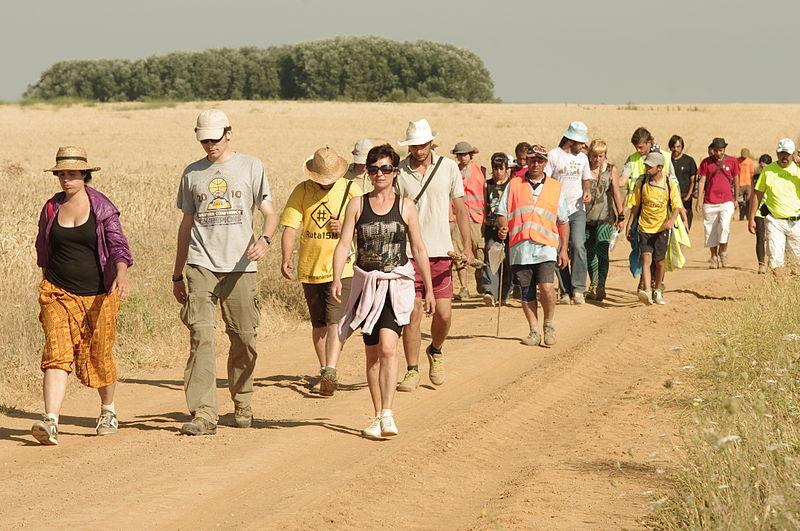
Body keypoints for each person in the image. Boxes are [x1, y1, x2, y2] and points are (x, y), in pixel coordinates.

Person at [172, 109, 278, 436]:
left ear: (228, 133)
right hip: (200, 263)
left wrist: (265, 239)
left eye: (214, 138)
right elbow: (186, 225)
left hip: (241, 265)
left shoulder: (251, 166)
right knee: (201, 337)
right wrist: (178, 274)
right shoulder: (192, 174)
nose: (209, 145)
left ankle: (243, 400)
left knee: (244, 338)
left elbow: (269, 212)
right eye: (204, 139)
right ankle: (204, 414)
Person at [32, 146, 133, 445]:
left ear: (85, 176)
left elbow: (117, 245)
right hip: (57, 293)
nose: (66, 180)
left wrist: (122, 274)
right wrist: (45, 280)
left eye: (72, 175)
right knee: (56, 352)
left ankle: (108, 410)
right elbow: (43, 248)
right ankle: (50, 421)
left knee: (99, 355)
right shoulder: (51, 208)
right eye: (62, 174)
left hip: (99, 295)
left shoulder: (102, 207)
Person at [333, 143, 435, 439]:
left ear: (395, 172)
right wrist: (338, 277)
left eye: (386, 169)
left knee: (389, 347)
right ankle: (377, 414)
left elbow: (418, 247)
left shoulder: (406, 206)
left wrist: (427, 287)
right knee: (372, 354)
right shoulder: (357, 205)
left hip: (396, 286)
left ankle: (388, 412)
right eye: (375, 168)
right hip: (367, 287)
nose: (380, 174)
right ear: (368, 170)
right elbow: (344, 245)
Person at [394, 119, 473, 391]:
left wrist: (468, 246)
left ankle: (436, 350)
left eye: (423, 145)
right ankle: (412, 370)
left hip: (442, 252)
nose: (418, 150)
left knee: (444, 315)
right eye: (414, 146)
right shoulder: (399, 172)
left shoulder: (449, 168)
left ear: (431, 143)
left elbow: (460, 209)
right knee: (413, 315)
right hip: (409, 254)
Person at [280, 146, 361, 397]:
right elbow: (290, 227)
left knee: (335, 320)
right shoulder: (302, 190)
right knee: (319, 324)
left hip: (342, 268)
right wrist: (286, 256)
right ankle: (324, 366)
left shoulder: (351, 190)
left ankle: (330, 370)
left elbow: (365, 225)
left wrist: (348, 227)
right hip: (310, 267)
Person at [494, 145, 570, 346]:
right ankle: (534, 331)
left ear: (545, 163)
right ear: (526, 161)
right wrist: (503, 227)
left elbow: (563, 221)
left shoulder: (555, 187)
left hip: (546, 247)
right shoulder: (514, 184)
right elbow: (502, 213)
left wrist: (563, 249)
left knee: (546, 287)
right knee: (526, 292)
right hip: (520, 248)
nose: (535, 164)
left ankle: (549, 323)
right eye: (532, 160)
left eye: (540, 160)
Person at [544, 121, 594, 305]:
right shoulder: (553, 156)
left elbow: (586, 179)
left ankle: (578, 288)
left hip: (577, 209)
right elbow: (546, 181)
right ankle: (565, 289)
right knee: (559, 248)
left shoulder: (582, 158)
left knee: (579, 246)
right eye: (581, 142)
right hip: (557, 211)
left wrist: (586, 190)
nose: (583, 146)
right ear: (571, 140)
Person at [625, 152, 682, 305]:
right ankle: (647, 292)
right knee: (646, 259)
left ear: (659, 168)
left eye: (650, 166)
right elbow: (635, 206)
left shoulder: (669, 183)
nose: (646, 168)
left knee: (659, 261)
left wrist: (671, 221)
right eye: (646, 165)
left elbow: (677, 206)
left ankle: (657, 290)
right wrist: (629, 224)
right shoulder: (641, 182)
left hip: (661, 228)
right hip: (644, 227)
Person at [749, 139, 800, 276]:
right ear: (777, 153)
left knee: (797, 265)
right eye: (782, 153)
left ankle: (793, 294)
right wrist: (751, 218)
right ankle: (781, 293)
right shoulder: (768, 171)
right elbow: (757, 195)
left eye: (788, 153)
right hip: (774, 221)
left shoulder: (798, 170)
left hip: (796, 222)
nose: (784, 156)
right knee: (776, 262)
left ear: (793, 154)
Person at [584, 140, 624, 302]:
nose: (597, 159)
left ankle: (601, 285)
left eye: (600, 156)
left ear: (605, 155)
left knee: (602, 250)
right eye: (594, 156)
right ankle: (593, 283)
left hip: (605, 218)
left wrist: (620, 215)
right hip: (586, 218)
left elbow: (615, 192)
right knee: (588, 252)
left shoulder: (610, 170)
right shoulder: (584, 167)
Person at [450, 141, 486, 301]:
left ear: (471, 155)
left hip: (477, 219)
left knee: (480, 252)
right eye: (460, 154)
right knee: (459, 253)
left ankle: (480, 281)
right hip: (458, 219)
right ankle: (464, 288)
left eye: (465, 154)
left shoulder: (481, 170)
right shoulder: (453, 172)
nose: (462, 157)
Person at [696, 137, 740, 269]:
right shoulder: (706, 163)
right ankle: (714, 256)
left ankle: (723, 252)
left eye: (721, 150)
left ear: (724, 149)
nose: (718, 153)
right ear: (712, 150)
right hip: (709, 201)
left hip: (727, 201)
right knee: (710, 230)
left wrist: (736, 199)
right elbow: (702, 181)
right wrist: (698, 200)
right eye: (716, 150)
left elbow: (736, 180)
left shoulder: (732, 161)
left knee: (724, 227)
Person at [481, 152, 513, 306]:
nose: (498, 172)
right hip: (492, 227)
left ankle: (505, 292)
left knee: (507, 261)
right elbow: (485, 205)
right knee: (490, 257)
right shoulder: (487, 185)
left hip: (509, 228)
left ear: (507, 168)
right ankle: (489, 291)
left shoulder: (512, 184)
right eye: (495, 169)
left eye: (501, 169)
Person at [668, 134, 698, 229]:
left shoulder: (689, 161)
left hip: (685, 198)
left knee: (685, 225)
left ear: (682, 147)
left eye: (678, 146)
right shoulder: (667, 160)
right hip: (670, 198)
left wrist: (688, 196)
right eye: (673, 147)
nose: (675, 149)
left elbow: (693, 180)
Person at [751, 154, 773, 273]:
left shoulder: (774, 176)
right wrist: (751, 215)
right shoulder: (755, 177)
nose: (763, 169)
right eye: (761, 167)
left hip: (772, 211)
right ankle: (761, 264)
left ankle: (772, 261)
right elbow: (753, 196)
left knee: (772, 238)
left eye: (765, 167)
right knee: (760, 238)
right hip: (759, 211)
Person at [737, 148, 756, 221]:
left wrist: (752, 185)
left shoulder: (750, 161)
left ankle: (748, 217)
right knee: (741, 203)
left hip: (748, 184)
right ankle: (741, 217)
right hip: (740, 185)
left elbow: (752, 173)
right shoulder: (737, 161)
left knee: (748, 201)